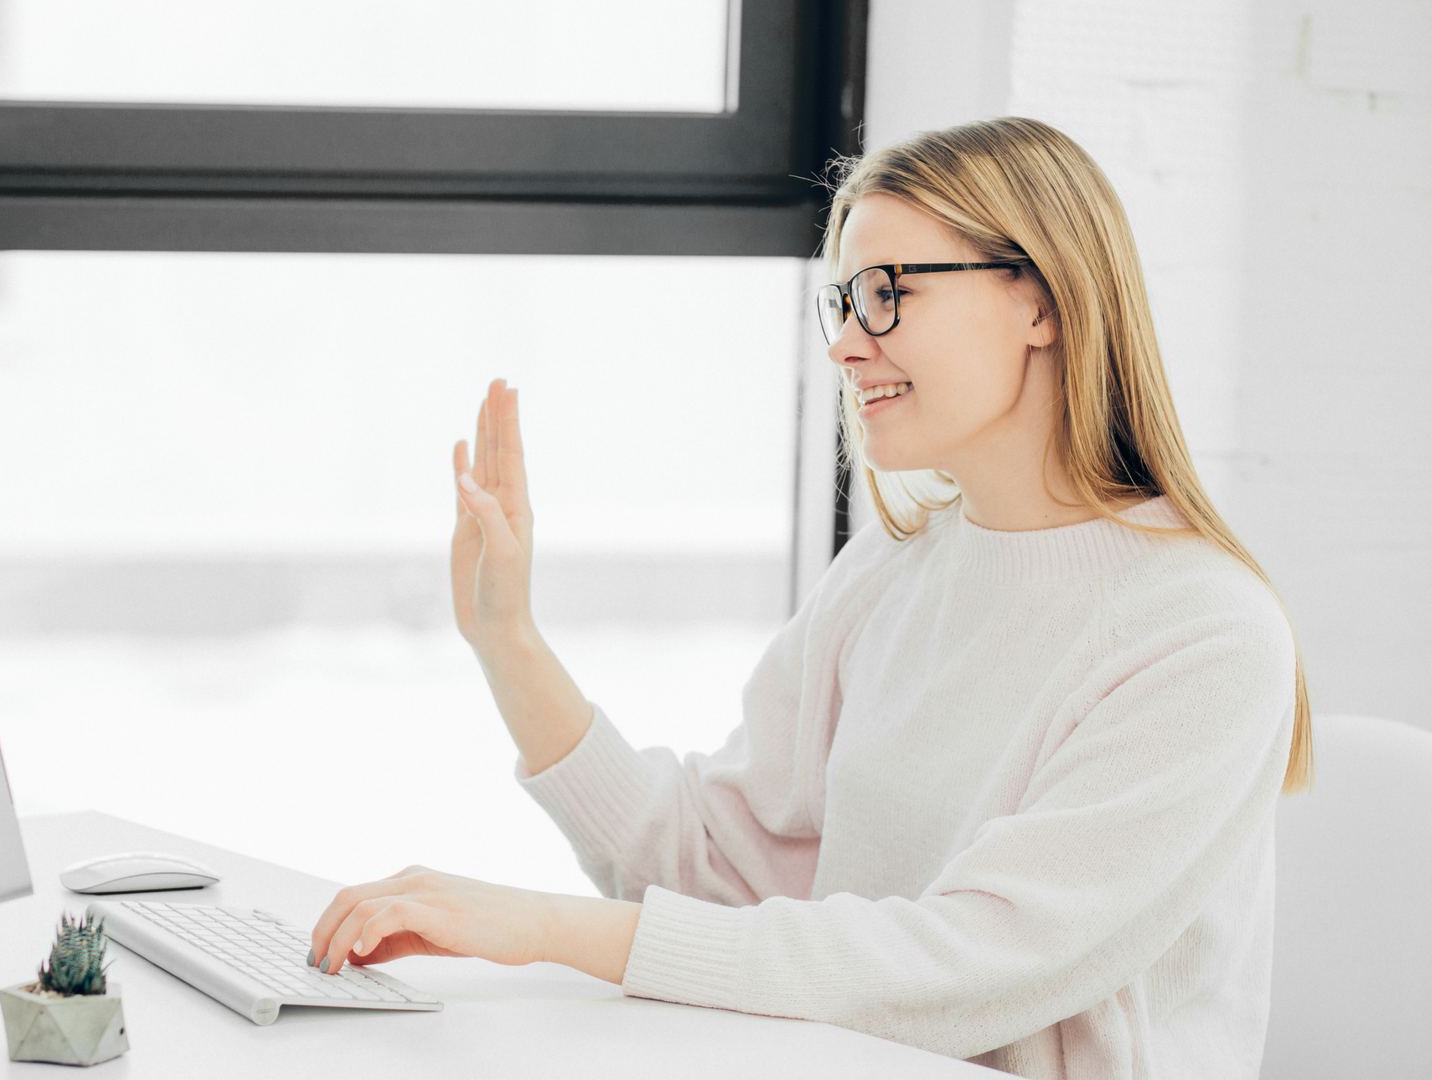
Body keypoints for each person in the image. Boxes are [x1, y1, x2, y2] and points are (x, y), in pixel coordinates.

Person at [309, 117, 1309, 1079]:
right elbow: (708, 870)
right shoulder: (892, 572)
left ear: (1041, 303)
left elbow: (970, 965)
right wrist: (508, 642)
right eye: (841, 302)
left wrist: (544, 931)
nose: (846, 344)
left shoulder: (1206, 635)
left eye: (885, 294)